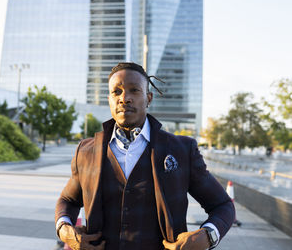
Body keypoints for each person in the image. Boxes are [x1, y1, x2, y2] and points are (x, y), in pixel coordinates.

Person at [55, 62, 235, 250]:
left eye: (134, 90)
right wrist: (64, 229)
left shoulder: (182, 150)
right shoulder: (86, 151)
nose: (125, 98)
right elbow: (68, 200)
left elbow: (223, 205)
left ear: (148, 98)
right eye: (117, 92)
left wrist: (208, 235)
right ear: (109, 99)